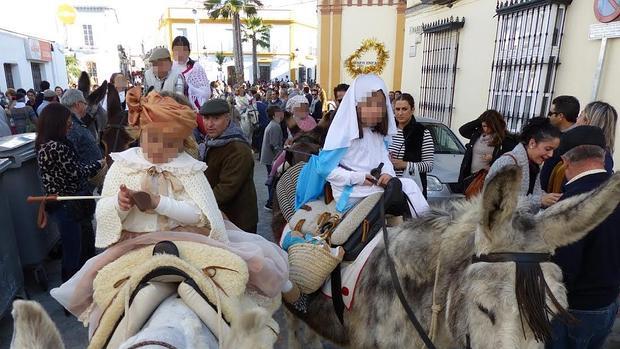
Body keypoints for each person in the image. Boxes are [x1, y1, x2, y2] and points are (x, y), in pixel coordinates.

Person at [49, 87, 290, 325]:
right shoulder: (123, 164)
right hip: (133, 243)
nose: (157, 148)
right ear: (140, 132)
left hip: (189, 239)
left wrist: (157, 203)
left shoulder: (189, 167)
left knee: (238, 276)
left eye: (168, 142)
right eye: (152, 139)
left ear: (179, 140)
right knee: (103, 294)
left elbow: (201, 215)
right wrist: (119, 205)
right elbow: (103, 212)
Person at [295, 74, 429, 216]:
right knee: (407, 186)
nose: (377, 111)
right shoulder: (344, 133)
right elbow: (325, 169)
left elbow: (384, 160)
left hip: (374, 187)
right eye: (370, 105)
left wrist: (387, 174)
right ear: (357, 105)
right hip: (352, 192)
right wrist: (358, 177)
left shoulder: (377, 134)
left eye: (381, 105)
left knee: (408, 186)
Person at [547, 143, 620, 349]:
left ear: (565, 162)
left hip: (576, 309)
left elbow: (563, 269)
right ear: (602, 157)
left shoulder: (572, 201)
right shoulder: (614, 190)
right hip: (609, 303)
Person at [35, 103, 104, 281]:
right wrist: (100, 164)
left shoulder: (52, 144)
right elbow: (77, 173)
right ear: (56, 123)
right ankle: (70, 293)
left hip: (67, 205)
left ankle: (76, 287)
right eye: (67, 122)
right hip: (66, 206)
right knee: (73, 252)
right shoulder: (54, 147)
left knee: (76, 249)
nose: (70, 125)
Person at [200, 98, 258, 233]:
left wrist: (198, 203)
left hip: (237, 220)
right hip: (219, 216)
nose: (209, 124)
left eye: (216, 118)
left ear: (227, 119)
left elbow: (226, 188)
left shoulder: (237, 148)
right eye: (206, 118)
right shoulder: (212, 141)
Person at [486, 117, 561, 208]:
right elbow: (501, 201)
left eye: (554, 150)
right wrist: (540, 200)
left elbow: (534, 192)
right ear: (532, 143)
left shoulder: (533, 164)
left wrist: (551, 199)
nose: (551, 154)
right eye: (548, 149)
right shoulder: (508, 162)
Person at [458, 109, 518, 192]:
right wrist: (481, 119)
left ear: (494, 125)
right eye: (483, 126)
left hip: (488, 180)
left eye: (488, 126)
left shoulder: (504, 139)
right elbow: (462, 130)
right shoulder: (477, 135)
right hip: (471, 177)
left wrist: (493, 157)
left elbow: (510, 157)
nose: (485, 129)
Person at [389, 93, 434, 198]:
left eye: (404, 109)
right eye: (397, 109)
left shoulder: (422, 132)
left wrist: (405, 165)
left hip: (411, 189)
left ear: (412, 110)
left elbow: (429, 165)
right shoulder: (387, 131)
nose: (400, 113)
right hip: (388, 187)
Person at [171, 36, 211, 109]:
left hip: (191, 109)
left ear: (189, 51)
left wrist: (188, 88)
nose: (180, 53)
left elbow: (206, 93)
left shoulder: (196, 67)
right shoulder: (169, 67)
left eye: (184, 50)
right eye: (177, 50)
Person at [261, 106, 284, 210]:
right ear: (274, 115)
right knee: (273, 181)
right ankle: (270, 202)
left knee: (272, 180)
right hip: (272, 158)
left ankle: (270, 202)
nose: (282, 114)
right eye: (279, 113)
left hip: (269, 157)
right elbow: (274, 145)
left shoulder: (273, 125)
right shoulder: (275, 126)